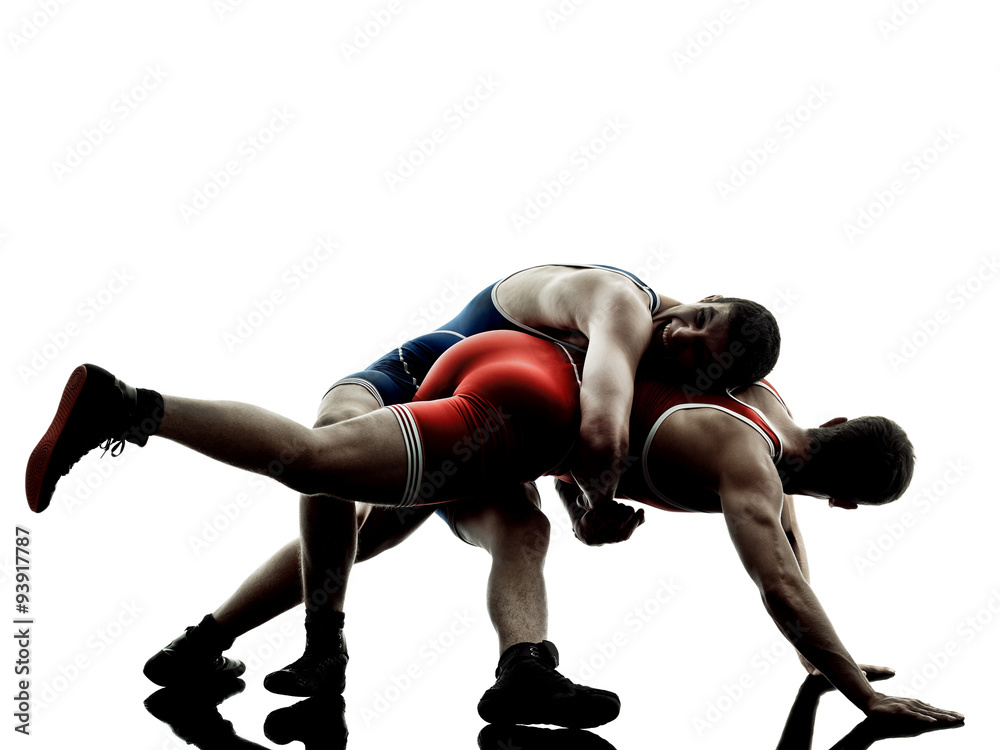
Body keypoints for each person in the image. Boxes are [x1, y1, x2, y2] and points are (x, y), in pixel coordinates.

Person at [27, 329, 961, 728]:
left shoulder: (765, 404)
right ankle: (131, 406)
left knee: (395, 533)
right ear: (845, 499)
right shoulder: (749, 464)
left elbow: (790, 548)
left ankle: (203, 646)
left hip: (516, 398)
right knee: (318, 464)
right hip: (509, 396)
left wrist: (821, 660)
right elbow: (780, 579)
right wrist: (859, 694)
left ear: (836, 422)